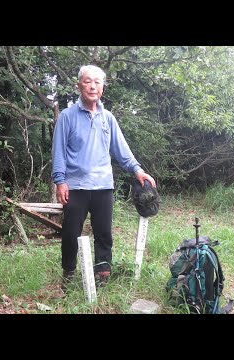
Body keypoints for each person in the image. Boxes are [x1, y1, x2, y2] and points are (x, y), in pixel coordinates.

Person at [51, 64, 156, 289]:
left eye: (97, 82)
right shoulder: (67, 117)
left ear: (102, 88)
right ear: (79, 85)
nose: (92, 86)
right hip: (75, 186)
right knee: (70, 234)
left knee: (104, 234)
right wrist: (60, 181)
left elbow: (121, 150)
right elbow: (58, 151)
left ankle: (102, 275)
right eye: (88, 81)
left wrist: (137, 170)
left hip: (103, 187)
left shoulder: (108, 118)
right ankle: (68, 274)